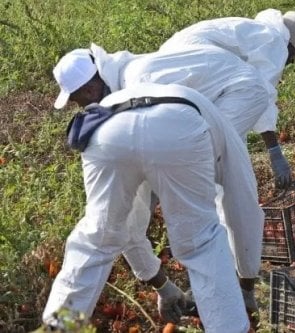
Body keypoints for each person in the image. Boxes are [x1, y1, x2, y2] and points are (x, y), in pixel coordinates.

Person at [52, 45, 267, 324]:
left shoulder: (116, 98)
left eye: (77, 100)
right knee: (202, 241)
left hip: (104, 133)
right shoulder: (196, 109)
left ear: (91, 91)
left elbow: (127, 226)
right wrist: (247, 279)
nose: (80, 105)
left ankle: (59, 327)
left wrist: (161, 284)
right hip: (178, 124)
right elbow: (242, 204)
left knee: (96, 239)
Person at [160, 9, 295, 186]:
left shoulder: (256, 32)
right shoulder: (275, 43)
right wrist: (274, 152)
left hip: (171, 64)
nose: (292, 62)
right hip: (198, 64)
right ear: (292, 44)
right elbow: (261, 97)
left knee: (188, 141)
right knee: (221, 146)